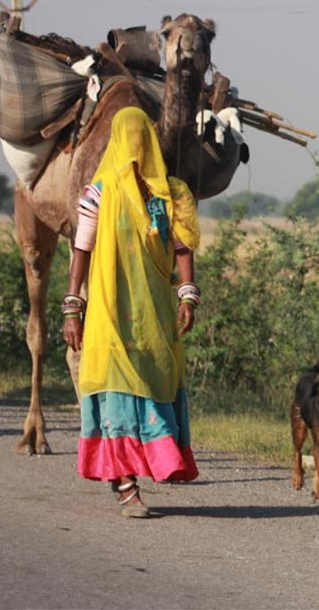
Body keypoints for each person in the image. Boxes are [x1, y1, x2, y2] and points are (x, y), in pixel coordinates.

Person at [63, 106, 202, 518]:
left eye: (144, 137)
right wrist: (73, 306)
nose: (137, 145)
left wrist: (188, 295)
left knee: (155, 382)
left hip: (155, 314)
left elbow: (182, 248)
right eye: (130, 137)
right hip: (108, 312)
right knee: (117, 391)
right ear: (117, 143)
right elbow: (81, 251)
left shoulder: (170, 194)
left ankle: (154, 464)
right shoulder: (99, 194)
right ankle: (125, 485)